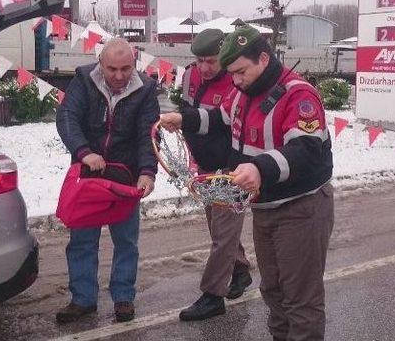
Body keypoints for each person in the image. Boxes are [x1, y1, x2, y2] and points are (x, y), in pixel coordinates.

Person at [161, 26, 334, 340]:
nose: (235, 80)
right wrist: (184, 119)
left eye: (241, 72)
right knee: (273, 291)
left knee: (300, 299)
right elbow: (221, 118)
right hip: (265, 205)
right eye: (232, 74)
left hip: (301, 208)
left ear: (264, 59)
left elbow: (306, 150)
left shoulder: (299, 95)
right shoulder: (241, 90)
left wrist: (259, 169)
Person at [55, 38, 159, 324]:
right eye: (112, 68)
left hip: (125, 177)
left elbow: (147, 134)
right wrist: (83, 152)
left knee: (126, 242)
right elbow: (67, 118)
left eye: (126, 68)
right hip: (89, 174)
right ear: (101, 63)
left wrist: (147, 172)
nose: (119, 75)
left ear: (134, 63)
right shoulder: (83, 80)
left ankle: (123, 297)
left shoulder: (146, 89)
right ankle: (83, 299)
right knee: (82, 242)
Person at [175, 28, 252, 322]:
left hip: (232, 168)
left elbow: (225, 125)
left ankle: (212, 295)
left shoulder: (238, 83)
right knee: (218, 228)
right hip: (205, 166)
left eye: (211, 61)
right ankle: (241, 270)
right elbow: (188, 109)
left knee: (222, 233)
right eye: (199, 61)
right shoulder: (190, 75)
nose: (204, 68)